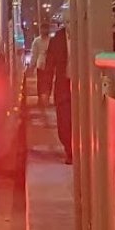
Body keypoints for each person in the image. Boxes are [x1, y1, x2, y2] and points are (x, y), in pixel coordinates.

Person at [43, 21, 72, 163]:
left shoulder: (85, 34)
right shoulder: (57, 40)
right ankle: (69, 149)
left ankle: (77, 150)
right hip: (63, 86)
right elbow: (49, 66)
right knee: (64, 121)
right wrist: (45, 91)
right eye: (69, 22)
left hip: (83, 86)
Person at [31, 24, 52, 102]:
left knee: (49, 81)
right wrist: (32, 64)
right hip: (40, 64)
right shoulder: (36, 41)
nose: (43, 31)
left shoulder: (51, 40)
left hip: (50, 64)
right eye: (42, 29)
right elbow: (34, 54)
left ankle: (47, 97)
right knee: (40, 82)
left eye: (45, 29)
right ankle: (40, 98)